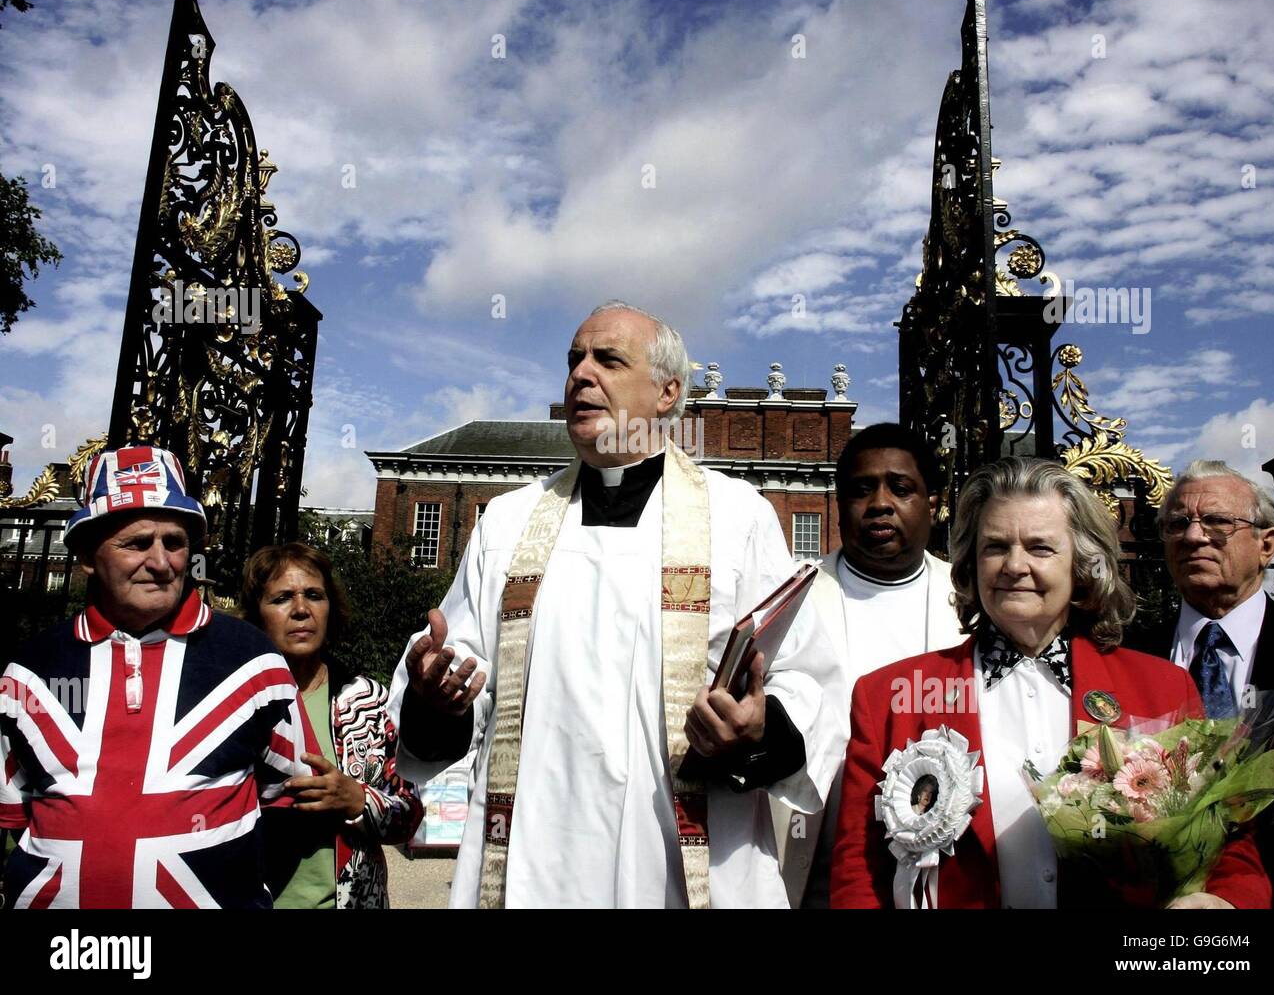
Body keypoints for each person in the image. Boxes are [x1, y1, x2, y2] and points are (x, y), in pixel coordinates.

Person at [388, 300, 843, 908]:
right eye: (574, 359)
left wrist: (758, 733)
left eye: (607, 359)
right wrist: (434, 697)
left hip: (683, 857)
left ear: (667, 392)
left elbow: (809, 678)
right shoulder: (507, 522)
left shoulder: (738, 518)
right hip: (533, 857)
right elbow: (459, 675)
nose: (581, 374)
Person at [832, 456, 1270, 909]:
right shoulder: (888, 695)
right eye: (995, 547)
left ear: (1081, 565)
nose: (1014, 566)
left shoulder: (1162, 688)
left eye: (1040, 548)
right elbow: (859, 872)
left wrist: (1223, 903)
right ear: (969, 560)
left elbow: (1232, 856)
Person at [0, 446, 319, 908]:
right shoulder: (30, 670)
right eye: (136, 543)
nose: (161, 562)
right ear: (88, 555)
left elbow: (292, 805)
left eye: (174, 542)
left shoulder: (254, 662)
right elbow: (11, 814)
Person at [774, 423, 965, 907]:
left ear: (934, 501)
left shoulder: (970, 603)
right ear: (840, 507)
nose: (880, 503)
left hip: (949, 874)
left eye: (900, 488)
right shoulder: (791, 603)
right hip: (815, 862)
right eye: (862, 490)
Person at [1127, 459, 1274, 907]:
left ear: (1268, 545)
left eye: (1217, 522)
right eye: (1177, 524)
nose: (1194, 536)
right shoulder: (1125, 656)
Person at [241, 542, 424, 909]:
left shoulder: (367, 701)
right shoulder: (233, 704)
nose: (301, 610)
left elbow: (409, 815)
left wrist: (357, 800)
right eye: (281, 599)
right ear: (257, 615)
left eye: (314, 595)